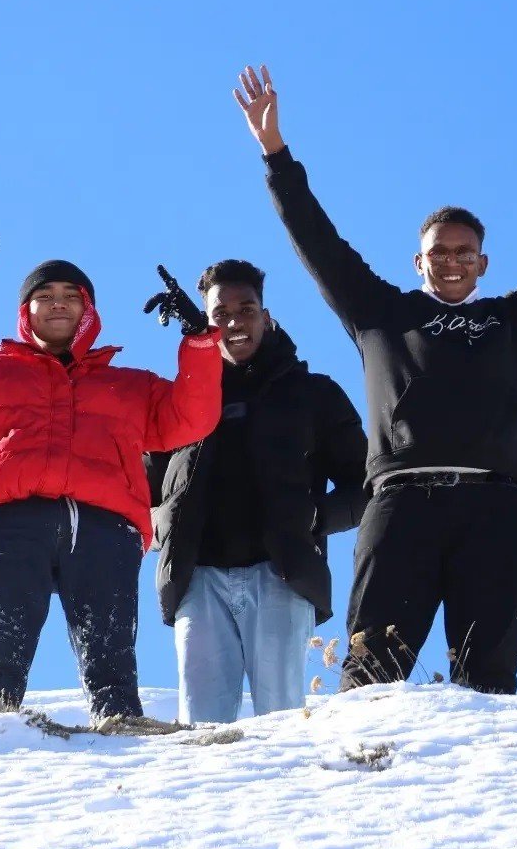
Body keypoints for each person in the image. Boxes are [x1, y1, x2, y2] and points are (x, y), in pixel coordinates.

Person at [235, 64, 517, 694]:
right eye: (438, 252)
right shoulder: (380, 314)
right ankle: (360, 784)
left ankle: (484, 793)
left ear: (482, 264)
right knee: (372, 674)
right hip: (401, 505)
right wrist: (275, 153)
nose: (451, 262)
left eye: (463, 253)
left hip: (497, 508)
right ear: (417, 260)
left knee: (489, 680)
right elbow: (318, 240)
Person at [0, 232, 221, 721]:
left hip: (104, 524)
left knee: (110, 643)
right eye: (44, 296)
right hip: (12, 517)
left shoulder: (129, 385)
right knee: (1, 633)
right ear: (25, 311)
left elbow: (192, 416)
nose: (58, 304)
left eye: (70, 297)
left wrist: (200, 341)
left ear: (88, 311)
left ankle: (119, 714)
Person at [146, 259, 367, 723]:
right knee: (200, 731)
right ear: (205, 323)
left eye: (246, 310)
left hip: (281, 576)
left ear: (266, 317)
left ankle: (290, 797)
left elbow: (365, 485)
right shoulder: (179, 401)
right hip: (197, 578)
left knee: (283, 722)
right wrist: (161, 526)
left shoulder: (314, 395)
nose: (233, 323)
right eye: (219, 314)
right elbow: (141, 487)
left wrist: (315, 519)